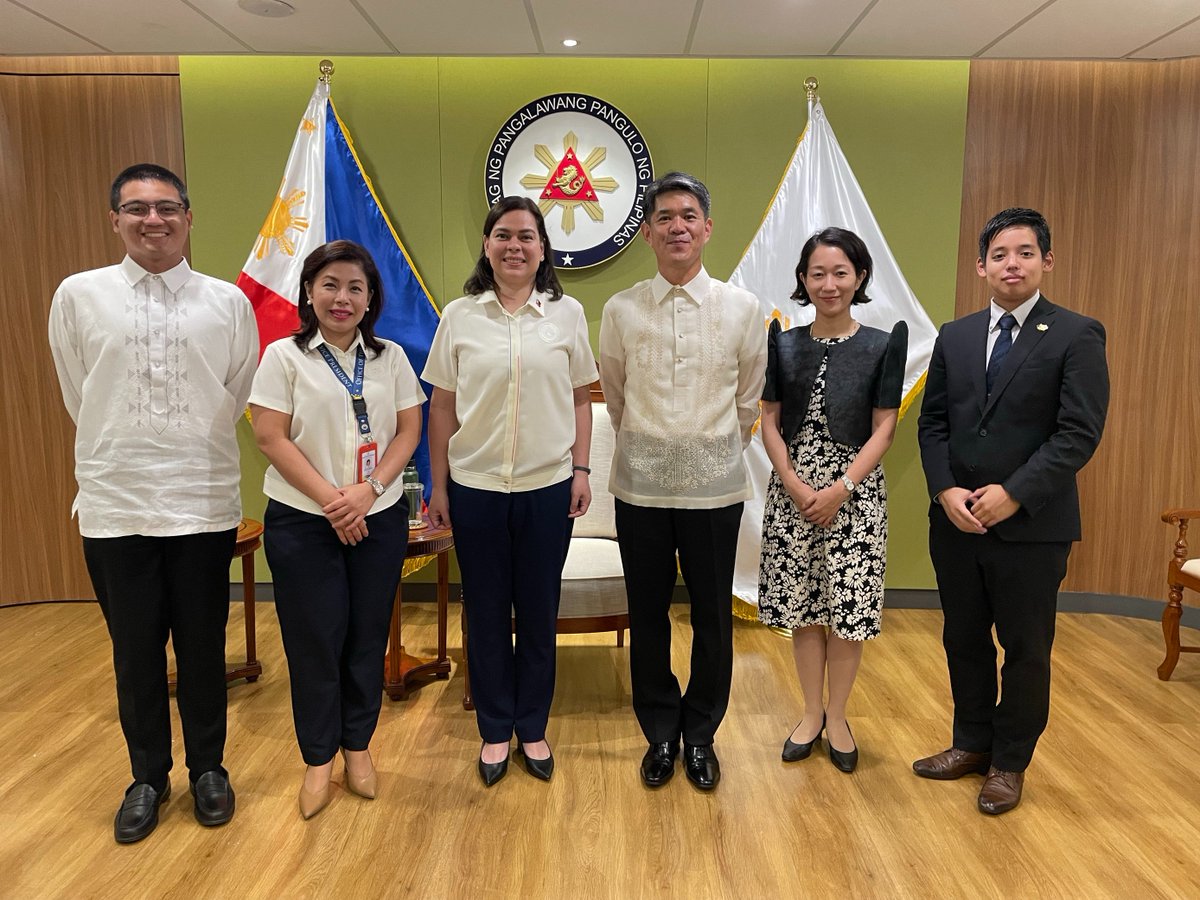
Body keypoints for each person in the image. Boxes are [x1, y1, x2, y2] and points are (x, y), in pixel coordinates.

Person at [48, 163, 257, 843]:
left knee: (203, 647)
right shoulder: (79, 296)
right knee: (135, 654)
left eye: (167, 207)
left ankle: (208, 770)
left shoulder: (227, 302)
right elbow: (80, 395)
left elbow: (234, 393)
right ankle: (147, 776)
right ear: (115, 220)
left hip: (200, 501)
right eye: (136, 209)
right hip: (116, 503)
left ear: (189, 218)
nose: (153, 220)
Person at [915, 208, 1108, 815]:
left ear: (1046, 261)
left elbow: (1078, 433)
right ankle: (970, 743)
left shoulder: (1077, 335)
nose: (1012, 264)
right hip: (957, 523)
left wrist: (1015, 493)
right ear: (981, 266)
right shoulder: (956, 335)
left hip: (1032, 527)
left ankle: (1008, 762)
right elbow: (934, 424)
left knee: (1025, 648)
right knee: (963, 639)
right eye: (999, 255)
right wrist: (946, 491)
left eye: (1025, 253)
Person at [599, 172, 767, 791]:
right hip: (639, 489)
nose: (677, 226)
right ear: (648, 232)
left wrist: (705, 445)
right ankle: (660, 733)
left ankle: (701, 734)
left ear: (707, 228)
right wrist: (655, 441)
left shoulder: (743, 309)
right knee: (646, 615)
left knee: (710, 617)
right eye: (664, 216)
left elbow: (748, 401)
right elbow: (615, 397)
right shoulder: (620, 309)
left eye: (688, 215)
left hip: (714, 490)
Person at [423, 197, 596, 787]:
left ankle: (533, 726)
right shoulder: (460, 316)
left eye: (526, 236)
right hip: (475, 488)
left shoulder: (567, 314)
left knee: (539, 610)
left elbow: (580, 398)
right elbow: (442, 406)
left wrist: (581, 470)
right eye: (503, 235)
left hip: (548, 487)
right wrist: (438, 485)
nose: (515, 245)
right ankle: (496, 729)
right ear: (487, 245)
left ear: (543, 249)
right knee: (489, 611)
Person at [250, 240, 424, 819]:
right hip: (304, 522)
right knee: (313, 642)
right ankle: (318, 759)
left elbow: (408, 431)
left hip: (377, 517)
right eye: (330, 285)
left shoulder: (391, 358)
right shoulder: (283, 357)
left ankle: (358, 748)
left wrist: (368, 493)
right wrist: (333, 500)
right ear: (308, 291)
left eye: (355, 287)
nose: (342, 297)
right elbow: (270, 437)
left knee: (366, 638)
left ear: (371, 297)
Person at [757, 227, 907, 774]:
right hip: (794, 492)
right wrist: (796, 485)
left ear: (859, 277)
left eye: (840, 272)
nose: (829, 283)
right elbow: (768, 421)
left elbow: (884, 428)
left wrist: (841, 487)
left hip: (855, 494)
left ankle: (839, 716)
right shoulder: (783, 342)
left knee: (846, 612)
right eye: (817, 273)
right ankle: (809, 713)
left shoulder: (882, 343)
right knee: (803, 608)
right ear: (803, 279)